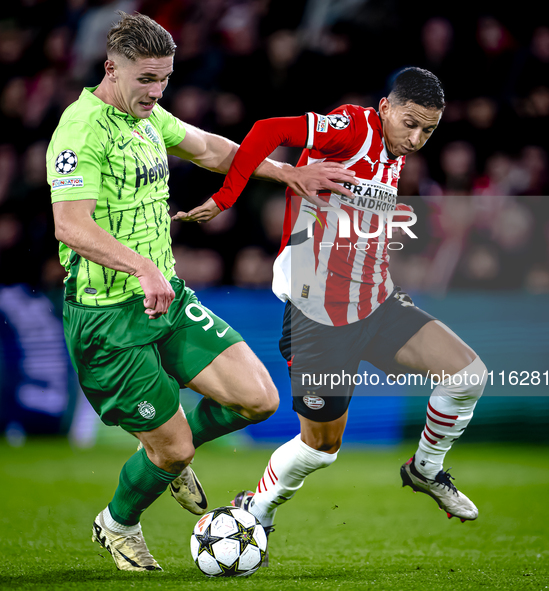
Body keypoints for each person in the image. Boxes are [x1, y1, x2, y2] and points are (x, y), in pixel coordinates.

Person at [46, 11, 356, 572]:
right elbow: (69, 225)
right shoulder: (80, 130)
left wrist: (287, 175)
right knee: (174, 449)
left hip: (165, 299)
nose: (156, 91)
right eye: (145, 80)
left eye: (164, 79)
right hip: (107, 316)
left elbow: (211, 149)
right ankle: (118, 523)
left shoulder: (146, 116)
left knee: (257, 399)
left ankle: (167, 450)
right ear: (110, 68)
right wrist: (142, 266)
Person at [175, 67, 489, 564]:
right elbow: (268, 131)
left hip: (376, 303)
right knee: (320, 447)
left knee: (468, 375)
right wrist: (225, 199)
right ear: (385, 107)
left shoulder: (395, 153)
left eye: (428, 130)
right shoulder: (352, 128)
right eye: (409, 123)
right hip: (317, 315)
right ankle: (257, 507)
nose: (416, 138)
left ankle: (426, 469)